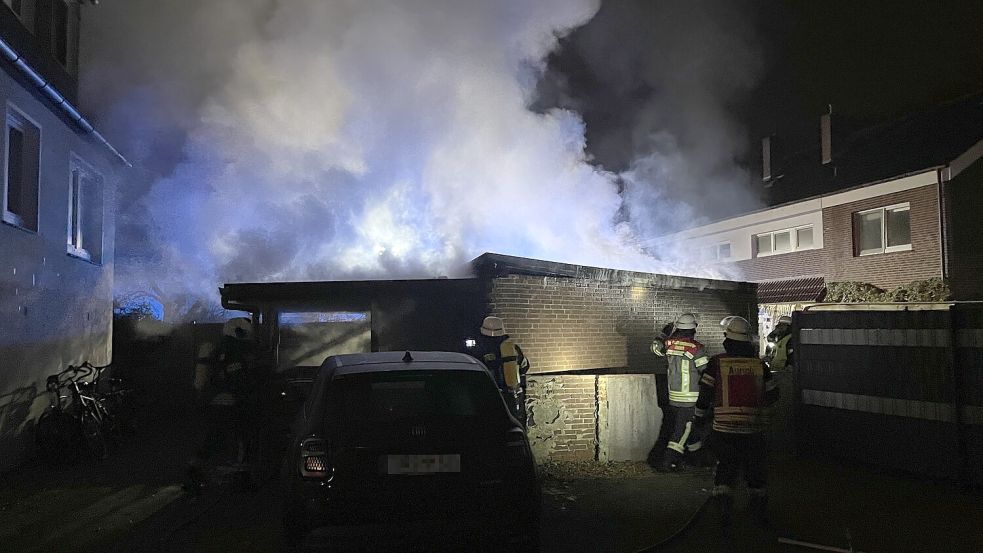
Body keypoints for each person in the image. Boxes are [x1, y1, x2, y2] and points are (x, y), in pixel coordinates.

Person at [693, 315, 779, 531]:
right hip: (753, 428)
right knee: (755, 471)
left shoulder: (717, 363)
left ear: (727, 339)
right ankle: (759, 515)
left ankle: (724, 512)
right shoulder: (760, 365)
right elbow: (773, 394)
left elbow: (705, 394)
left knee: (726, 468)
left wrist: (699, 417)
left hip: (723, 429)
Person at [185, 317, 260, 494]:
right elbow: (239, 380)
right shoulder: (233, 351)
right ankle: (241, 478)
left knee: (215, 439)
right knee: (242, 439)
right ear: (238, 332)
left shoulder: (220, 348)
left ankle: (194, 471)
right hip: (230, 403)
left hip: (215, 403)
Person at [653, 313, 710, 472]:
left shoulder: (669, 344)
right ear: (693, 329)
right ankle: (668, 461)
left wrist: (663, 334)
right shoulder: (696, 348)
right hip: (691, 397)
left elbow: (655, 348)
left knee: (689, 430)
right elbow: (706, 371)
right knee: (683, 430)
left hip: (673, 396)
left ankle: (697, 460)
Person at [467, 316, 530, 422]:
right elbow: (525, 366)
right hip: (511, 397)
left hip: (487, 396)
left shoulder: (479, 350)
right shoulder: (513, 348)